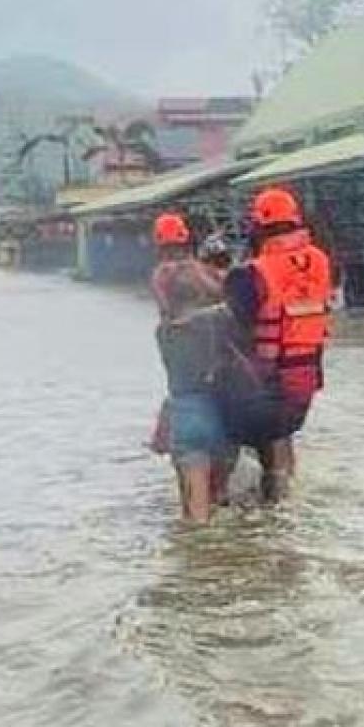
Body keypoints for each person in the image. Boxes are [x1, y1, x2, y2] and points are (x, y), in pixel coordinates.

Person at [223, 187, 332, 503]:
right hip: (309, 374)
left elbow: (234, 325)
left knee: (256, 435)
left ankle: (258, 519)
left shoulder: (253, 272)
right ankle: (283, 512)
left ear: (257, 227)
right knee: (281, 436)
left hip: (269, 377)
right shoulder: (321, 261)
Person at [147, 211, 230, 523]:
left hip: (188, 417)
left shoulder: (166, 334)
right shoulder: (220, 321)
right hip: (226, 417)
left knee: (196, 524)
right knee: (223, 506)